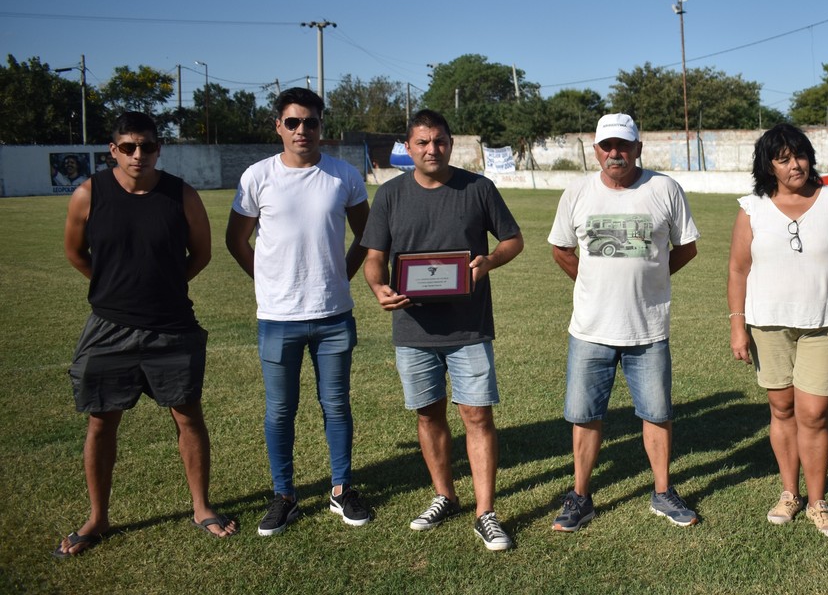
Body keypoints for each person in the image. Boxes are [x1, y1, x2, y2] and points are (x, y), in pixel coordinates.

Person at [56, 112, 236, 557]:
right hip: (108, 328)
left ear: (159, 148)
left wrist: (164, 288)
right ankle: (98, 517)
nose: (139, 155)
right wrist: (115, 291)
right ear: (113, 150)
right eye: (129, 147)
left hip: (172, 326)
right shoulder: (89, 194)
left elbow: (201, 254)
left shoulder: (181, 194)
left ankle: (201, 507)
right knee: (102, 421)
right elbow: (75, 253)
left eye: (148, 146)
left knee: (188, 416)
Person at [361, 110, 523, 551]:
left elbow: (513, 240)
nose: (432, 149)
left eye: (440, 141)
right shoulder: (390, 194)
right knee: (428, 413)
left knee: (477, 415)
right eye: (422, 142)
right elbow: (374, 257)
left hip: (469, 328)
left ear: (451, 144)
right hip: (413, 329)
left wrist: (490, 261)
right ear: (408, 147)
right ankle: (445, 496)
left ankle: (485, 513)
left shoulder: (478, 188)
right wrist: (377, 286)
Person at [226, 87, 372, 536]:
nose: (301, 130)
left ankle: (341, 489)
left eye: (310, 122)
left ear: (321, 127)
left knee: (337, 405)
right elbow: (236, 240)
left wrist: (342, 275)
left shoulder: (344, 175)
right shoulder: (258, 176)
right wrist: (267, 281)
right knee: (279, 411)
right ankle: (284, 495)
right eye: (292, 122)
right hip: (277, 318)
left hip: (333, 316)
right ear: (279, 127)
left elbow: (367, 237)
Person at [548, 113, 701, 531]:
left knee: (657, 412)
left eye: (623, 145)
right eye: (607, 146)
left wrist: (653, 278)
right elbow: (561, 249)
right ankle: (580, 497)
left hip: (647, 328)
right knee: (585, 415)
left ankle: (663, 492)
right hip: (590, 329)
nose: (615, 153)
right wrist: (592, 282)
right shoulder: (577, 192)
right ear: (596, 149)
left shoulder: (664, 189)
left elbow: (686, 247)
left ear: (638, 148)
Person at [726, 123, 828, 538]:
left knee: (814, 413)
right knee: (781, 409)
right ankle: (789, 493)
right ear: (768, 166)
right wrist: (737, 325)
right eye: (784, 159)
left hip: (827, 323)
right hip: (768, 324)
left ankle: (817, 501)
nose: (795, 165)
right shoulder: (752, 208)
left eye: (800, 155)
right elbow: (738, 269)